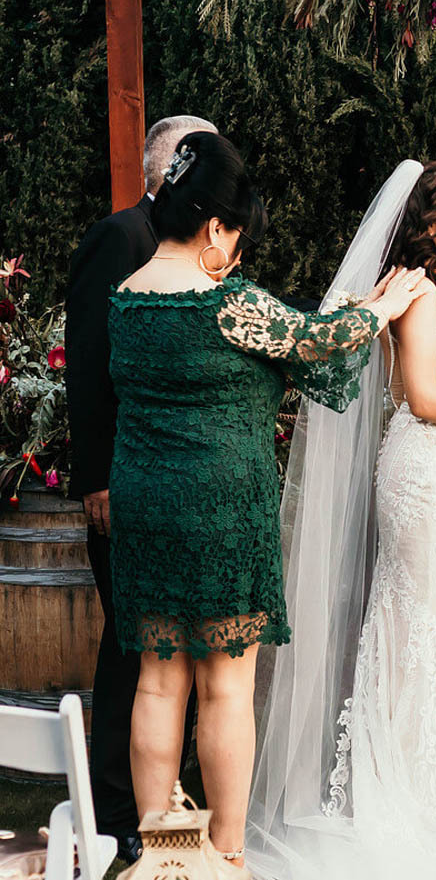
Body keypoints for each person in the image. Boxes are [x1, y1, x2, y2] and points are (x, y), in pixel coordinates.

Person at [107, 131, 429, 878]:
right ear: (216, 225)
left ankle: (164, 859)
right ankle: (224, 856)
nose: (238, 250)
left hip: (146, 503)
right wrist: (380, 308)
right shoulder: (229, 303)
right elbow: (316, 340)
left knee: (159, 681)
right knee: (224, 685)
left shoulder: (126, 299)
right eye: (236, 234)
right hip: (221, 509)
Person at [247, 159, 436, 880]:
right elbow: (420, 397)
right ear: (430, 220)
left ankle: (427, 780)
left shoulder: (431, 294)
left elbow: (430, 378)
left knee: (431, 621)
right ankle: (404, 789)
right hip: (421, 468)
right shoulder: (415, 293)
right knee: (415, 619)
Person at [64, 113, 216, 862]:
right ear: (173, 166)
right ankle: (116, 806)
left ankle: (161, 792)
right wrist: (95, 477)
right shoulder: (119, 239)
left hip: (168, 487)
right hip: (120, 480)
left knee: (158, 647)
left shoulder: (181, 247)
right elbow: (88, 361)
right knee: (131, 648)